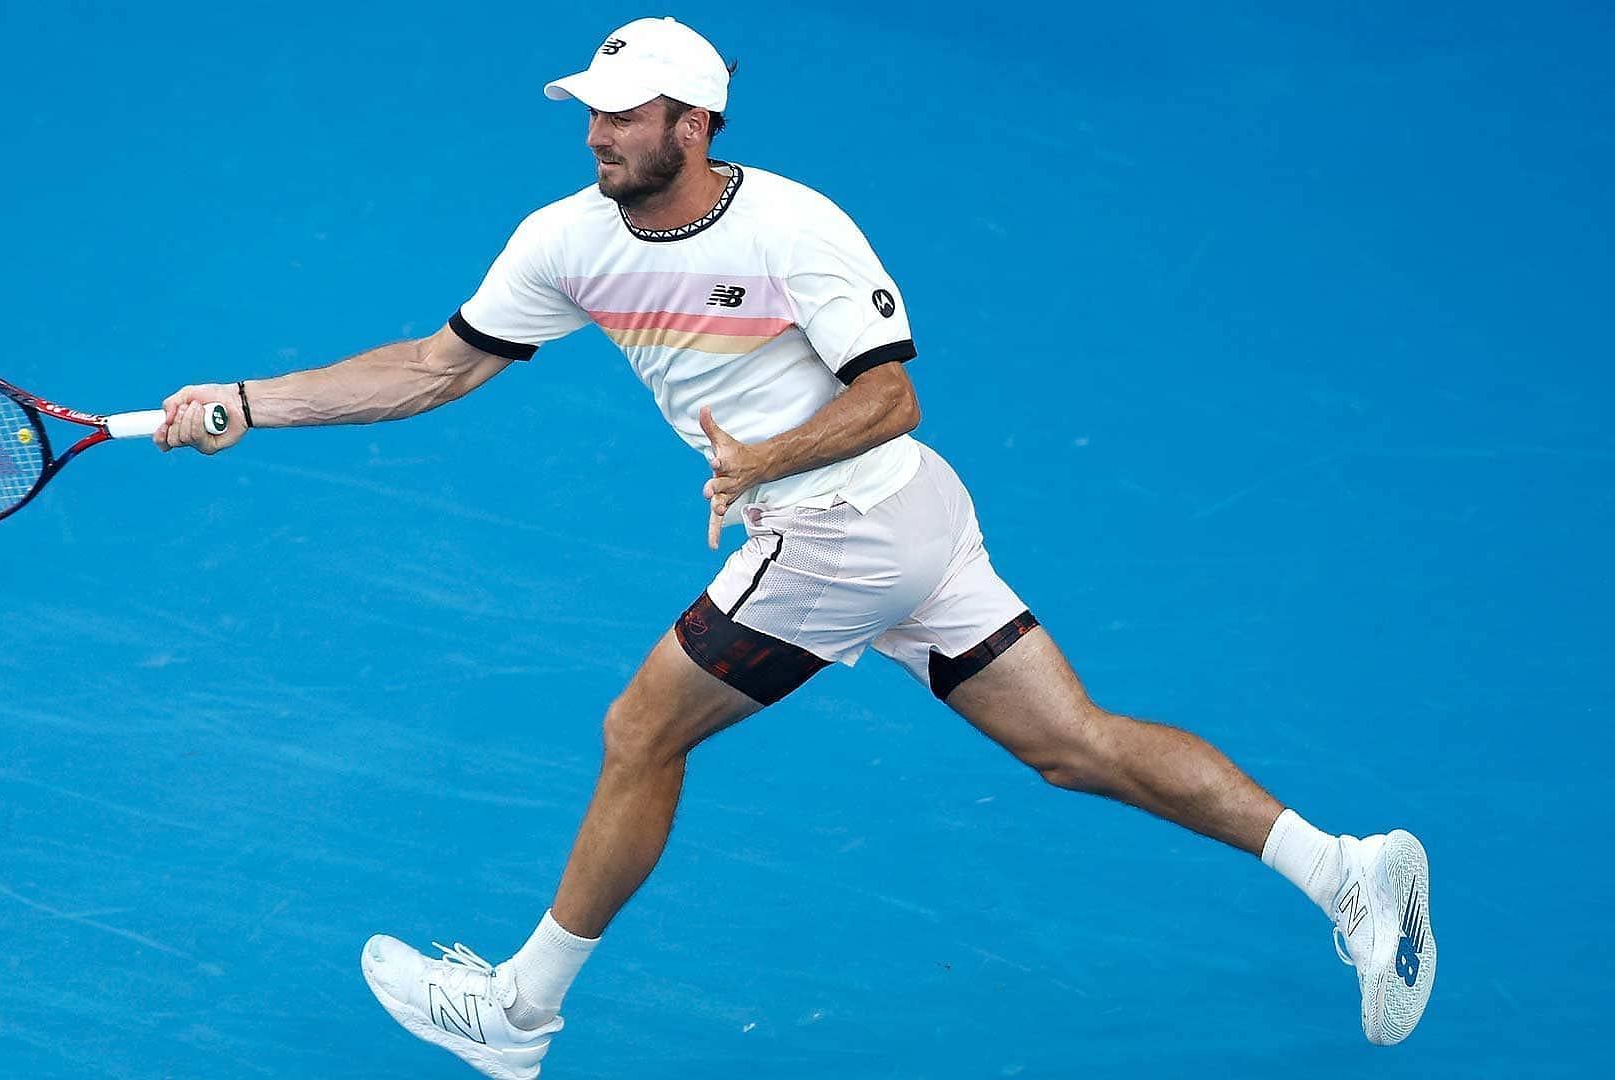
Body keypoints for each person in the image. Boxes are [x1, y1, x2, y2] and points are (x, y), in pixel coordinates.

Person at [154, 16, 1437, 1078]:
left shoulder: (794, 229)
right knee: (1071, 745)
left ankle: (518, 1016)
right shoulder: (564, 238)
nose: (599, 132)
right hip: (909, 524)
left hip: (842, 522)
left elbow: (892, 396)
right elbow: (439, 367)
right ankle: (1347, 872)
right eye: (590, 110)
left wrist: (761, 462)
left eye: (626, 112)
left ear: (695, 125)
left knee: (639, 734)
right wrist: (249, 402)